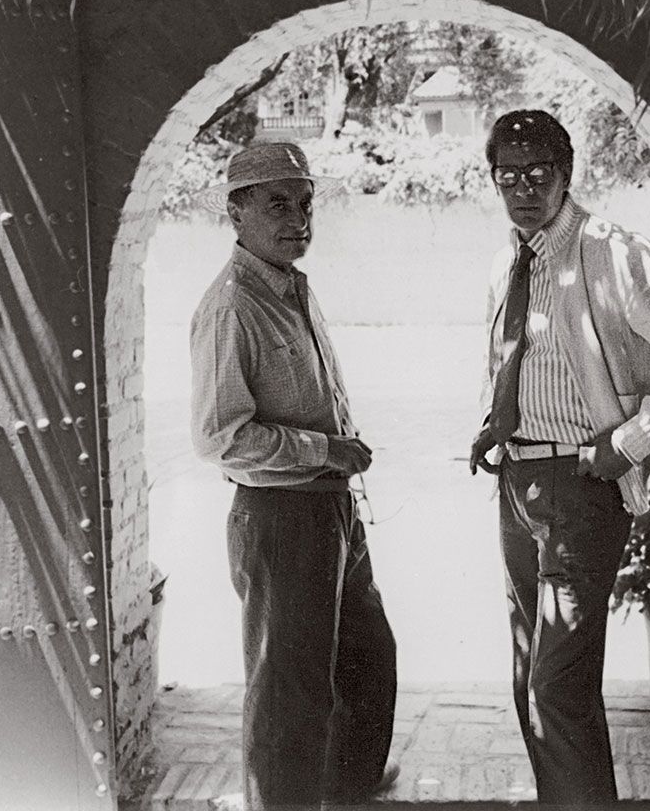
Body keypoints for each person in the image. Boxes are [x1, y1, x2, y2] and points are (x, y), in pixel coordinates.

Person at [469, 110, 650, 805]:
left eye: (538, 173)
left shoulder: (610, 251)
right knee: (532, 676)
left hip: (581, 486)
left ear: (567, 173)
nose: (523, 188)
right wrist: (496, 423)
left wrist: (635, 440)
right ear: (492, 180)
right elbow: (525, 360)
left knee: (557, 687)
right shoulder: (509, 259)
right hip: (518, 485)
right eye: (507, 175)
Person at [190, 141, 398, 810]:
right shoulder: (231, 306)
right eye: (277, 203)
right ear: (236, 213)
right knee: (289, 699)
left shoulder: (293, 289)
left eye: (306, 204)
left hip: (332, 514)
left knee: (366, 668)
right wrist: (323, 451)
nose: (298, 218)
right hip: (281, 519)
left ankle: (341, 799)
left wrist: (333, 460)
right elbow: (220, 438)